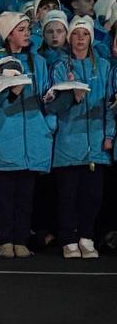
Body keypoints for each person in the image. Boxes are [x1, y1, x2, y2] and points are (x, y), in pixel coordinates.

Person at [0, 10, 55, 258]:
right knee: (4, 194)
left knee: (26, 194)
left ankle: (21, 239)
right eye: (21, 30)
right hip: (3, 136)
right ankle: (5, 239)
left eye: (28, 29)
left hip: (33, 138)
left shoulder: (38, 62)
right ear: (8, 35)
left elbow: (47, 98)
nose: (27, 33)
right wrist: (8, 93)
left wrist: (49, 124)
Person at [46, 16, 113, 258]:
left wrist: (109, 135)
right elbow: (51, 106)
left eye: (85, 34)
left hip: (96, 143)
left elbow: (109, 105)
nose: (80, 38)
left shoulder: (104, 67)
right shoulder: (60, 67)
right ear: (69, 38)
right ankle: (68, 239)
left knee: (92, 196)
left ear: (91, 38)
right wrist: (71, 98)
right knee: (68, 196)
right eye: (75, 34)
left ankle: (87, 237)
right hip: (68, 143)